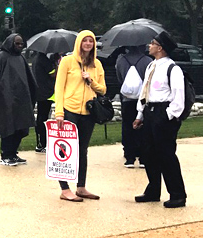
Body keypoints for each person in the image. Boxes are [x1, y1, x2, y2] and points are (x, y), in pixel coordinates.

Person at [133, 31, 187, 208]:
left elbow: (178, 97)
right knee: (148, 153)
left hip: (163, 113)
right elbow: (145, 91)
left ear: (160, 48)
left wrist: (168, 115)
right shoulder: (151, 66)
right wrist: (140, 115)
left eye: (152, 43)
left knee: (166, 154)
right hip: (149, 111)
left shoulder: (173, 69)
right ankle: (153, 190)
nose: (149, 46)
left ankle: (177, 194)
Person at [53, 30, 105, 202]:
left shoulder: (96, 64)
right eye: (85, 41)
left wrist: (91, 80)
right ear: (79, 43)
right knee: (66, 150)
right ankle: (64, 188)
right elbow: (59, 88)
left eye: (91, 41)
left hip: (88, 112)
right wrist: (59, 112)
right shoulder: (67, 62)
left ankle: (81, 186)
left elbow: (103, 89)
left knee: (83, 150)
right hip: (70, 110)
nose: (88, 44)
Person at [0, 33, 36, 166]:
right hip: (5, 99)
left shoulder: (21, 58)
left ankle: (13, 153)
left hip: (21, 100)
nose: (19, 46)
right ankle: (6, 155)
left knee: (20, 127)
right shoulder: (2, 57)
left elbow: (28, 79)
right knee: (7, 127)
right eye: (17, 43)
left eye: (21, 44)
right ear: (10, 43)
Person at [115, 45, 153, 168]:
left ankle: (129, 157)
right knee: (143, 126)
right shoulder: (147, 60)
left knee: (127, 126)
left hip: (126, 99)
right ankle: (143, 156)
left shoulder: (121, 60)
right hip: (142, 98)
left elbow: (119, 77)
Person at [31, 51, 60, 153]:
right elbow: (54, 74)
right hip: (46, 93)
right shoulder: (43, 59)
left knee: (41, 117)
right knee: (43, 119)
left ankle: (41, 143)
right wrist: (57, 63)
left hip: (40, 92)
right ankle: (42, 144)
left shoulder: (36, 59)